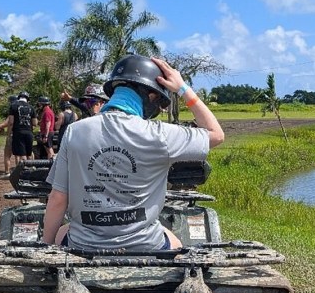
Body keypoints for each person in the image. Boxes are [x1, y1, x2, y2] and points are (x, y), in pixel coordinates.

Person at [42, 55, 224, 251]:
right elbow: (216, 134)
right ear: (152, 96)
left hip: (84, 245)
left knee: (63, 231)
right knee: (175, 241)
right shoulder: (160, 135)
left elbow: (58, 199)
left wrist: (45, 250)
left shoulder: (75, 131)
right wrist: (182, 88)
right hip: (146, 245)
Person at [6, 91, 37, 163]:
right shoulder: (31, 107)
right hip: (29, 132)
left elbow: (11, 122)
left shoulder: (13, 106)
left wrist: (9, 133)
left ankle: (24, 171)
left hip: (18, 132)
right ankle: (31, 169)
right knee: (29, 153)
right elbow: (35, 123)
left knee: (22, 154)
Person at [0, 94, 18, 175]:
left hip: (11, 135)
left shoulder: (13, 111)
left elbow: (6, 123)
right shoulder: (22, 110)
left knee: (7, 154)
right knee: (17, 154)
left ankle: (7, 171)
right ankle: (19, 172)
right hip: (19, 135)